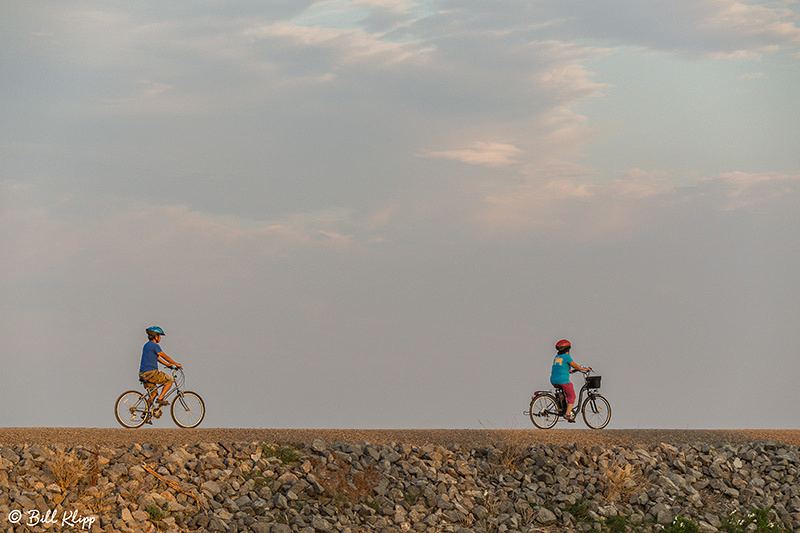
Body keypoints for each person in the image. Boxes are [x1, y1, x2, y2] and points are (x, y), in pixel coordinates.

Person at [139, 326, 182, 410]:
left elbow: (157, 358)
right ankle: (161, 398)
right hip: (151, 373)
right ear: (155, 336)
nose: (160, 338)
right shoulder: (154, 346)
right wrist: (176, 364)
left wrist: (167, 364)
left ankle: (145, 415)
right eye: (159, 336)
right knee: (169, 381)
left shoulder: (147, 345)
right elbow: (164, 356)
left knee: (153, 394)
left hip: (143, 373)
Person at [550, 339, 590, 422]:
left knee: (565, 395)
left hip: (554, 380)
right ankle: (568, 414)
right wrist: (585, 370)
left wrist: (570, 371)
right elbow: (575, 366)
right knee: (572, 396)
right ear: (567, 349)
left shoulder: (557, 357)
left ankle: (564, 409)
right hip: (563, 380)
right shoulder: (567, 356)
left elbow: (561, 368)